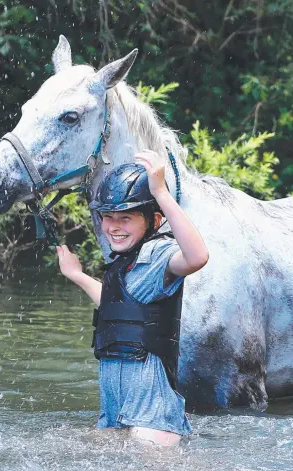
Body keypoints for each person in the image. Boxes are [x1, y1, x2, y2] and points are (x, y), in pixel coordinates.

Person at [57, 150, 209, 446]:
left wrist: (162, 193)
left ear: (153, 220)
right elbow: (119, 308)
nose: (114, 227)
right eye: (108, 217)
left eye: (125, 218)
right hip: (115, 419)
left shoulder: (158, 257)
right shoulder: (122, 264)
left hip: (153, 422)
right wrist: (77, 275)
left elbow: (197, 256)